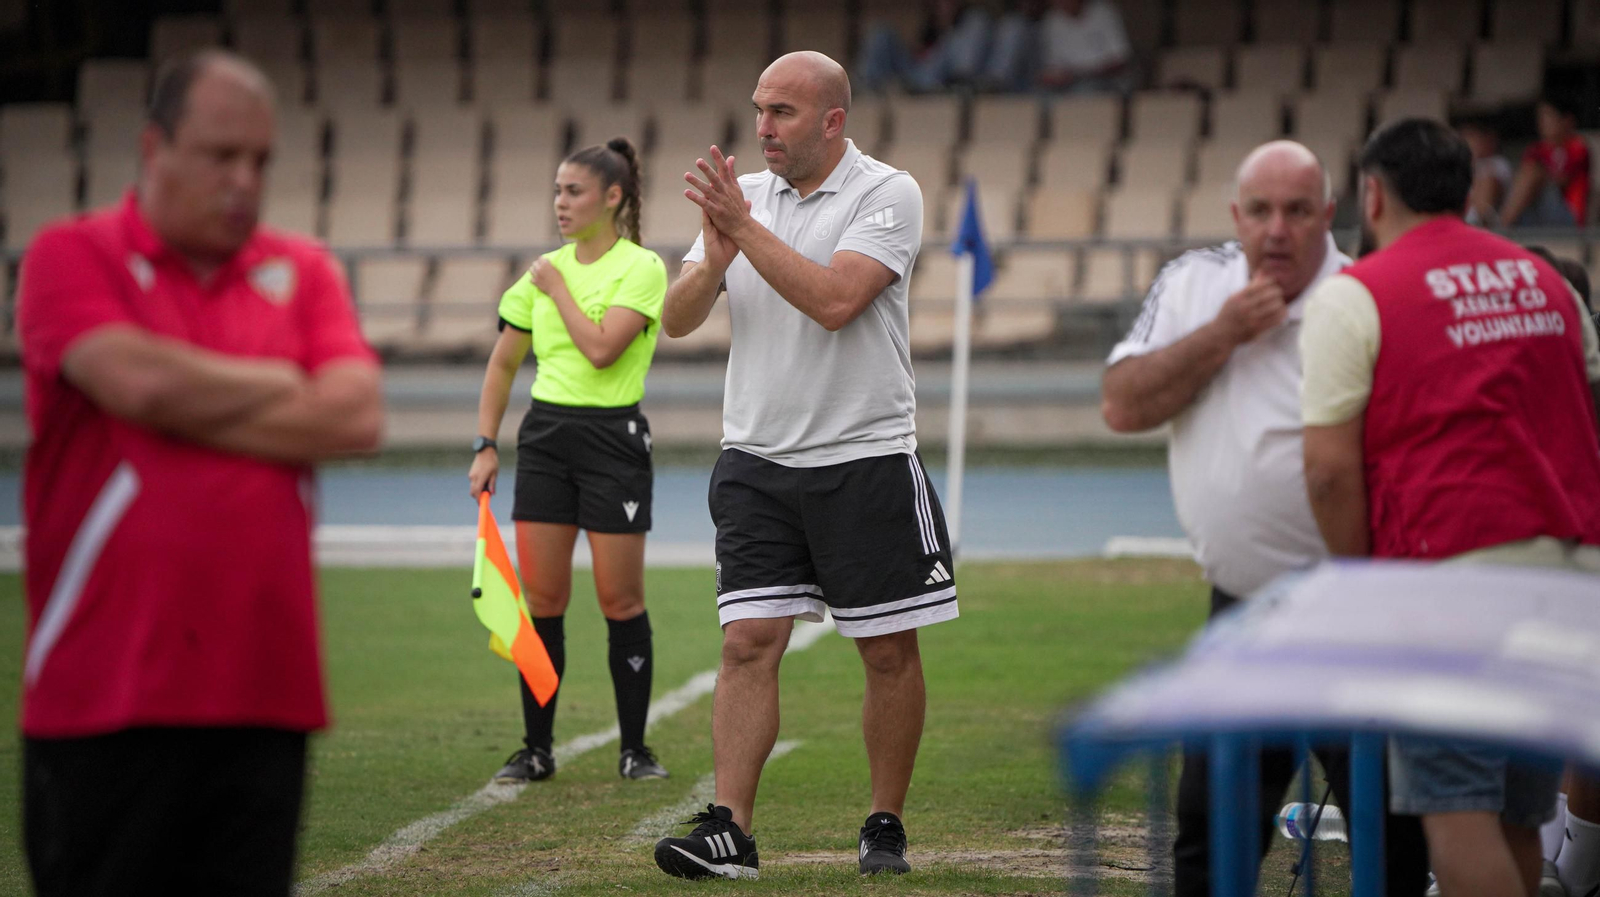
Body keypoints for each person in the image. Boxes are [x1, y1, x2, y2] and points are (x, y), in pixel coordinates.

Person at [16, 51, 383, 896]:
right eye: (222, 155)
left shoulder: (304, 268)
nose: (244, 179)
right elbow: (131, 381)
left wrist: (180, 397)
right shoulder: (73, 255)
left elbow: (355, 415)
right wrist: (281, 383)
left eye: (260, 160)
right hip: (105, 696)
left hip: (264, 694)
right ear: (155, 148)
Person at [651, 51, 953, 880]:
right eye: (758, 109)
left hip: (865, 457)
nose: (762, 128)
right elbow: (676, 321)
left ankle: (884, 822)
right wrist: (712, 257)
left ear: (832, 120)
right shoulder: (742, 200)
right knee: (747, 641)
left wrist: (741, 232)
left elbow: (834, 302)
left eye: (782, 112)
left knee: (887, 651)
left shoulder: (887, 192)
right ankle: (731, 831)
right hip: (755, 457)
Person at [1100, 140, 1430, 897]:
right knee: (1211, 836)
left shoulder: (1368, 292)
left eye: (1297, 210)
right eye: (1260, 211)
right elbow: (1122, 404)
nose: (1277, 229)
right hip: (1242, 606)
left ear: (1331, 215)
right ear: (1234, 215)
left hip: (1358, 611)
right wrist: (1223, 333)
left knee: (1393, 840)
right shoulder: (1192, 282)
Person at [1300, 117, 1600, 897]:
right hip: (1567, 581)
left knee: (1456, 817)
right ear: (1469, 191)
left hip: (1449, 585)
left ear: (1371, 194)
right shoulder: (1551, 283)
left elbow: (1329, 472)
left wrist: (1360, 589)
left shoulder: (1356, 295)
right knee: (1516, 814)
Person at [468, 137, 670, 785]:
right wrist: (486, 442)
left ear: (613, 197)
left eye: (573, 191)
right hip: (547, 439)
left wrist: (555, 288)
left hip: (614, 440)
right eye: (556, 190)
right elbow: (503, 363)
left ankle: (635, 749)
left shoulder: (641, 268)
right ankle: (536, 748)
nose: (560, 202)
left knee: (620, 599)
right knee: (544, 600)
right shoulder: (541, 272)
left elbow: (603, 351)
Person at [856, 0, 991, 94]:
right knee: (880, 32)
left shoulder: (967, 24)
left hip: (942, 82)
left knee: (973, 23)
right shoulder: (929, 24)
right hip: (914, 76)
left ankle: (959, 85)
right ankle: (866, 87)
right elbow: (918, 53)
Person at [1498, 95, 1592, 227]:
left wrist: (1539, 175)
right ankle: (1497, 222)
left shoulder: (1577, 147)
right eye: (1540, 118)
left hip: (1568, 215)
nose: (1543, 123)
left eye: (1548, 117)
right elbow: (1522, 183)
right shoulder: (1535, 149)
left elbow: (1563, 180)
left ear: (1567, 120)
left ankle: (1500, 226)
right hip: (1537, 213)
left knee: (1533, 173)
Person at [1034, 0, 1133, 94]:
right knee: (1038, 94)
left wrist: (1083, 73)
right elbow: (1054, 66)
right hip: (1067, 83)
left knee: (1084, 90)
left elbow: (1120, 61)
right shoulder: (1052, 20)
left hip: (1105, 79)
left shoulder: (1103, 12)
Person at [1461, 119, 1512, 227]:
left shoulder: (1498, 163)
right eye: (1465, 138)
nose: (1469, 143)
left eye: (1473, 137)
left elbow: (1492, 187)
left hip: (1489, 220)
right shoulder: (1459, 167)